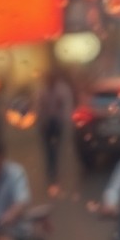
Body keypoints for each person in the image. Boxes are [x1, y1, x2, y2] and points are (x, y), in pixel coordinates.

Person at [38, 68, 75, 196]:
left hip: (57, 122)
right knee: (48, 148)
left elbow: (66, 106)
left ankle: (55, 169)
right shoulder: (42, 90)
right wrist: (41, 121)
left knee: (56, 147)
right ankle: (51, 169)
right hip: (46, 122)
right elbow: (39, 106)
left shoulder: (62, 90)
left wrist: (64, 121)